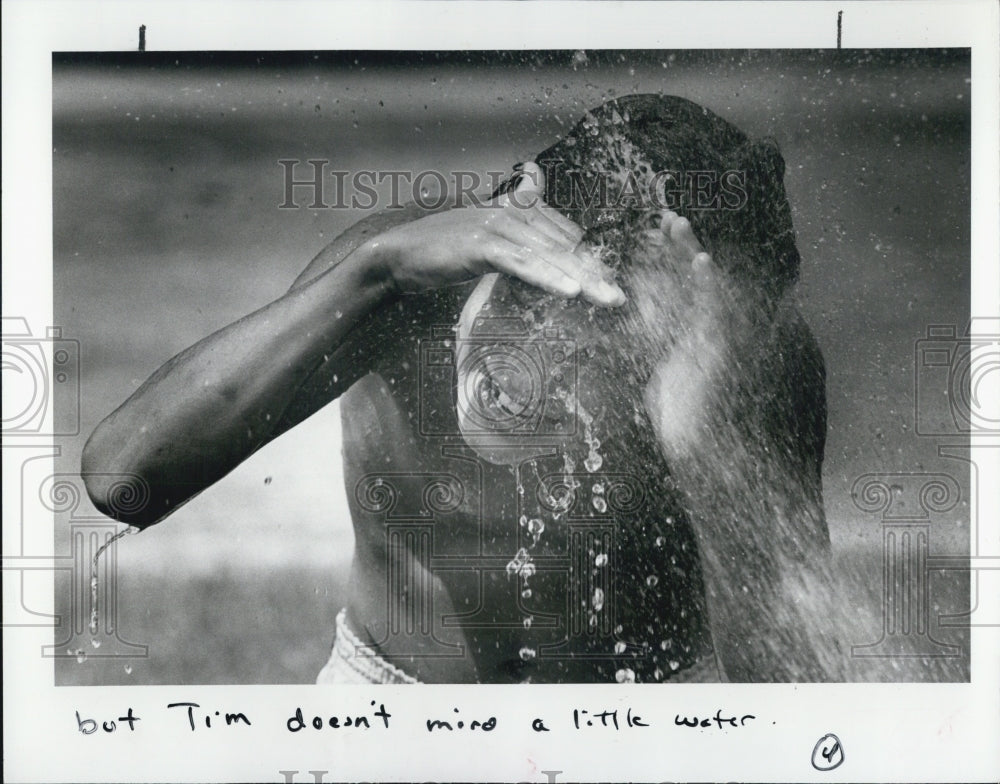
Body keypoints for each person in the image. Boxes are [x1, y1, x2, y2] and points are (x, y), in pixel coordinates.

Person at [82, 94, 833, 683]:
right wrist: (373, 271)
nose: (536, 373)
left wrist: (705, 453)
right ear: (514, 224)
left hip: (651, 713)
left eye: (611, 356)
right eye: (536, 301)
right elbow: (124, 479)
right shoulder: (404, 283)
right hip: (394, 694)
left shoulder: (752, 361)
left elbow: (800, 703)